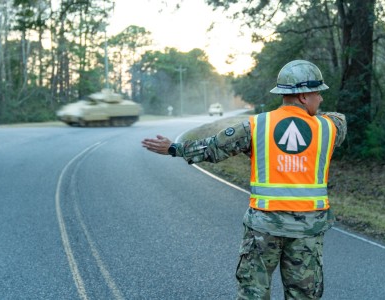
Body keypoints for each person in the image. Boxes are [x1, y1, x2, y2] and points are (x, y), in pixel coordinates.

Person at [141, 59, 347, 299]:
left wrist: (174, 148)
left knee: (253, 292)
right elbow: (334, 117)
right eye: (317, 93)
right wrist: (309, 114)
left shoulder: (256, 125)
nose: (320, 99)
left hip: (263, 228)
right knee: (304, 295)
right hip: (308, 231)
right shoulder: (329, 128)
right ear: (303, 96)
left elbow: (213, 148)